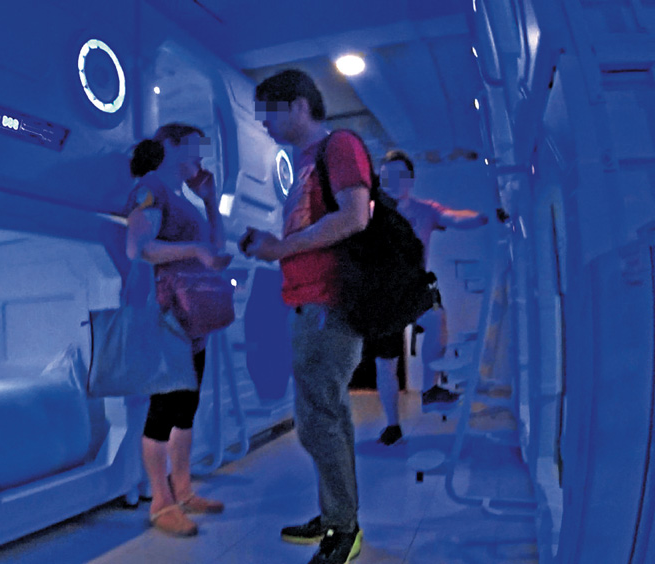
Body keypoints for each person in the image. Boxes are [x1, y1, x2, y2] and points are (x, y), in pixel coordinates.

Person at [242, 69, 368, 564]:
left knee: (318, 419)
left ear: (298, 105)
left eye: (269, 112)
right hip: (308, 301)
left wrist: (280, 248)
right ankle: (336, 513)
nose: (264, 123)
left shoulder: (339, 146)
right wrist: (276, 246)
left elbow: (355, 215)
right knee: (324, 417)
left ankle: (343, 527)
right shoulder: (304, 163)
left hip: (328, 300)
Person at [124, 122, 232, 537]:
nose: (199, 158)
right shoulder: (150, 188)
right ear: (168, 146)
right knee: (164, 409)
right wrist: (195, 249)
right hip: (167, 315)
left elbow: (216, 245)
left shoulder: (183, 198)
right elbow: (138, 248)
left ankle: (182, 490)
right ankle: (160, 501)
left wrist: (210, 201)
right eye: (192, 148)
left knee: (186, 408)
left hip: (192, 319)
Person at [371, 150, 490, 446]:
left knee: (436, 317)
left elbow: (455, 217)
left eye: (398, 175)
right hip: (383, 295)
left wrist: (484, 216)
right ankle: (393, 425)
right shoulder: (370, 213)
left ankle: (429, 390)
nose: (392, 181)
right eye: (386, 176)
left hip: (414, 288)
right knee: (385, 363)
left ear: (410, 180)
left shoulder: (425, 210)